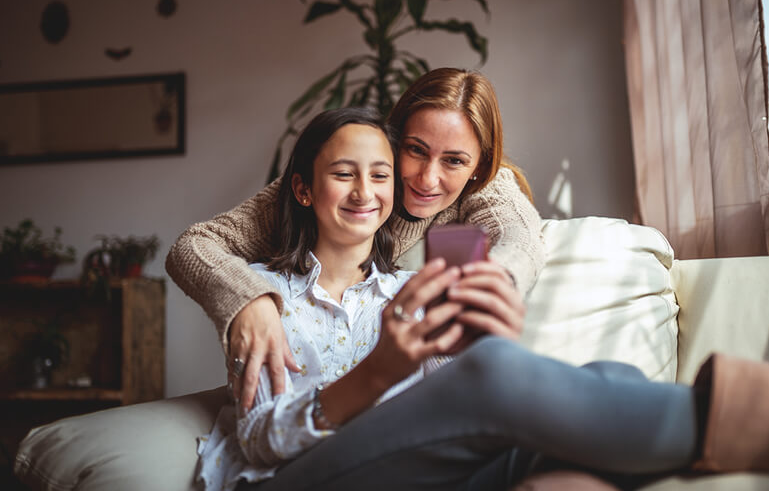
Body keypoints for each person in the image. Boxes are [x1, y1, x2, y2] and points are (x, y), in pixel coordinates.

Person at [193, 107, 769, 491]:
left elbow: (464, 398)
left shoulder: (407, 294)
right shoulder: (262, 299)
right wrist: (382, 371)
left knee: (582, 430)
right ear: (301, 188)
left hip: (414, 470)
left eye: (380, 175)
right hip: (294, 478)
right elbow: (261, 441)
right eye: (342, 173)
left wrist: (489, 333)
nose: (365, 191)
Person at [167, 68, 543, 409]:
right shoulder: (335, 184)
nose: (428, 179)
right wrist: (250, 300)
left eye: (454, 161)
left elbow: (520, 239)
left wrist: (494, 286)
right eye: (415, 150)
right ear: (391, 141)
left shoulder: (484, 187)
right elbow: (195, 245)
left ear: (478, 167)